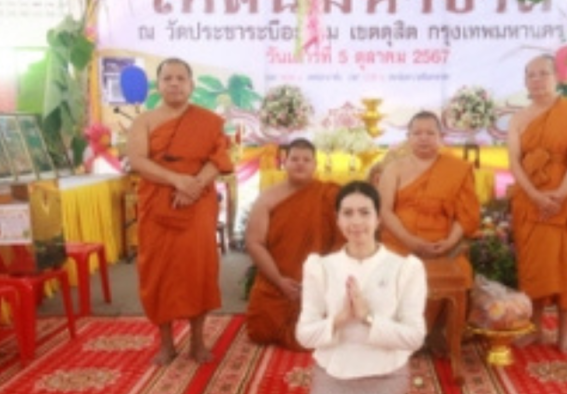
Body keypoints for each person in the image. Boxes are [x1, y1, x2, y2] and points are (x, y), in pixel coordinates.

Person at [127, 58, 234, 364]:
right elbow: (137, 160)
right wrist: (177, 180)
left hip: (197, 204)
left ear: (191, 84)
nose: (174, 83)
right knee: (158, 271)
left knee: (197, 269)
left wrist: (195, 185)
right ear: (158, 84)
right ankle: (165, 343)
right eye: (168, 78)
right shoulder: (144, 121)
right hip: (157, 201)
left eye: (181, 78)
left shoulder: (208, 121)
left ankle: (198, 342)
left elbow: (219, 158)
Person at [507, 54, 567, 353]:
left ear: (557, 77)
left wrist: (560, 194)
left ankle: (564, 332)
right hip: (531, 201)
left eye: (543, 74)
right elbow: (514, 162)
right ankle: (535, 328)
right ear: (525, 81)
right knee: (535, 268)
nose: (537, 80)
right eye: (531, 75)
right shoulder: (518, 118)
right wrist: (537, 196)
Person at [296, 181, 427, 393]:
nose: (356, 221)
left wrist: (368, 317)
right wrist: (340, 319)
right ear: (337, 219)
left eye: (365, 212)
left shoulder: (405, 269)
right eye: (347, 213)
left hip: (387, 373)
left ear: (378, 219)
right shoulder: (320, 268)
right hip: (332, 372)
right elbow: (305, 335)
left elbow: (414, 337)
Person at [378, 111, 480, 313]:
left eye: (430, 133)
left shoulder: (457, 169)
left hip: (442, 247)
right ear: (408, 137)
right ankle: (397, 332)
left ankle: (443, 334)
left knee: (463, 272)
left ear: (441, 137)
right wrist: (409, 240)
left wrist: (449, 243)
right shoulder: (394, 169)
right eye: (417, 133)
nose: (423, 138)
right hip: (399, 245)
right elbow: (383, 210)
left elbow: (466, 214)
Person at [245, 138, 343, 350]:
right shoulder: (268, 198)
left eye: (306, 160)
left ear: (315, 165)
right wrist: (280, 281)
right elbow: (254, 242)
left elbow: (346, 242)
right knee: (260, 330)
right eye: (295, 159)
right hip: (277, 280)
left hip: (320, 284)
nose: (300, 163)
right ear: (284, 162)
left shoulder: (329, 195)